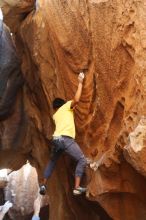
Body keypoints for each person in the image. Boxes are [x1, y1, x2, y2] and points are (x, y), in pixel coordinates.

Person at [39, 72, 87, 196]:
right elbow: (76, 100)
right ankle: (76, 187)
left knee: (52, 161)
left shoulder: (56, 115)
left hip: (56, 139)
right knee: (82, 160)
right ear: (63, 104)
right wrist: (80, 82)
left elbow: (68, 112)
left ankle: (43, 184)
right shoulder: (66, 106)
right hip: (66, 139)